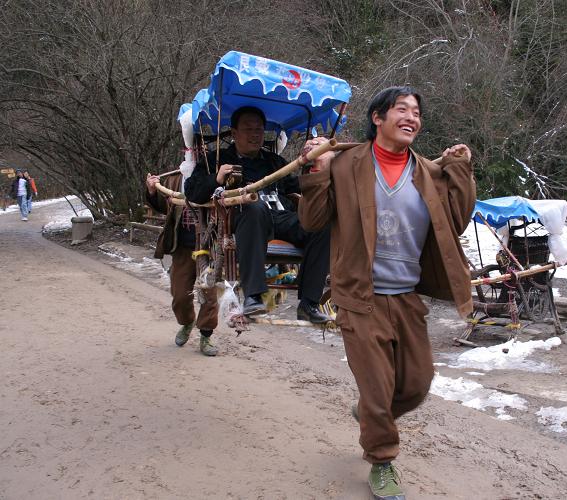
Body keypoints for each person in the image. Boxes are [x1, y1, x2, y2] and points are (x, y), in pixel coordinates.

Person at [298, 87, 475, 500]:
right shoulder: (346, 163)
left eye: (416, 111)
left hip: (407, 295)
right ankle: (382, 459)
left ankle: (370, 417)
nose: (411, 117)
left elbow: (458, 219)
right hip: (359, 295)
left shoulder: (429, 173)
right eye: (402, 109)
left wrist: (460, 168)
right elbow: (313, 220)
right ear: (378, 117)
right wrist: (316, 168)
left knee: (416, 384)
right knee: (377, 388)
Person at [184, 106, 332, 324]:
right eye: (248, 129)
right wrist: (216, 178)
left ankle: (309, 303)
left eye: (259, 129)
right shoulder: (218, 158)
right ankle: (253, 296)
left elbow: (296, 185)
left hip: (280, 216)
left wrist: (317, 166)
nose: (255, 134)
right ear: (234, 133)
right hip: (243, 218)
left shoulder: (274, 162)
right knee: (255, 208)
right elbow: (192, 192)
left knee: (322, 223)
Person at [146, 171, 220, 356]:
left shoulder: (216, 177)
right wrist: (152, 190)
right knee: (179, 295)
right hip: (183, 247)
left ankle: (206, 335)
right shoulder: (175, 179)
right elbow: (164, 207)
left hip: (208, 247)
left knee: (209, 294)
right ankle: (187, 322)